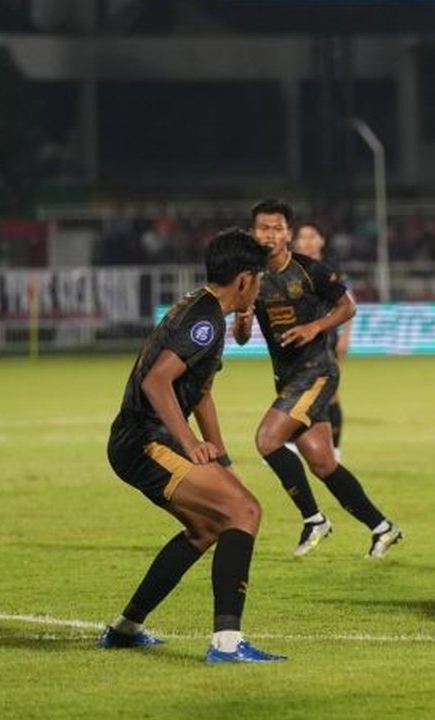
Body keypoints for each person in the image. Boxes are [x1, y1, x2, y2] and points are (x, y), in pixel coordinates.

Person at [100, 228, 285, 663]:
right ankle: (227, 644)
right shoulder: (205, 322)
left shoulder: (202, 308)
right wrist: (190, 441)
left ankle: (126, 628)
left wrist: (220, 455)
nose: (259, 288)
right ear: (244, 279)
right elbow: (156, 381)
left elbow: (200, 392)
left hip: (142, 438)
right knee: (244, 511)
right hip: (145, 441)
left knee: (206, 528)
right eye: (258, 279)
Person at [235, 199, 403, 559]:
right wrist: (244, 318)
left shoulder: (310, 270)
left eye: (277, 228)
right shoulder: (249, 278)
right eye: (263, 228)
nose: (270, 235)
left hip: (317, 372)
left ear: (288, 234)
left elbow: (348, 306)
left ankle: (314, 520)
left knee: (267, 440)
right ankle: (382, 528)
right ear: (253, 233)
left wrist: (315, 327)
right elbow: (242, 338)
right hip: (287, 377)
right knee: (323, 463)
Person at [292, 222, 352, 458]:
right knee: (297, 388)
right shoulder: (291, 268)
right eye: (303, 237)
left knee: (330, 392)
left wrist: (346, 335)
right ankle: (294, 441)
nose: (307, 241)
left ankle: (334, 447)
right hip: (300, 337)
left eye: (312, 236)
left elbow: (348, 303)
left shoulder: (331, 270)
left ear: (321, 241)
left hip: (327, 336)